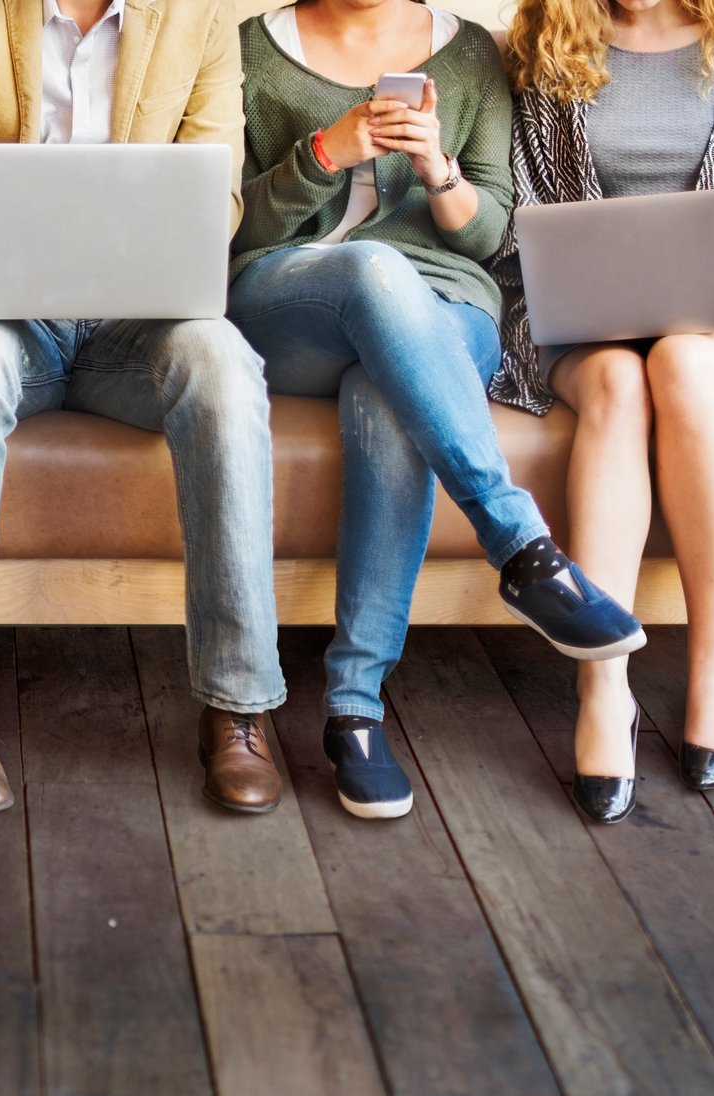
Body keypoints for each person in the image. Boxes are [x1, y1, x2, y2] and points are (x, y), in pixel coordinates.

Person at [232, 0, 644, 821]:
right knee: (377, 269)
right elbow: (234, 228)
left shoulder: (469, 58)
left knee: (388, 392)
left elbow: (491, 236)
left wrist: (437, 171)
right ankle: (522, 548)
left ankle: (354, 710)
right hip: (295, 298)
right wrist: (323, 153)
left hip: (445, 310)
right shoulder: (251, 51)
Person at [0, 0, 289, 819]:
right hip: (5, 311)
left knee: (222, 362)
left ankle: (238, 705)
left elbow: (218, 187)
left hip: (136, 317)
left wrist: (156, 252)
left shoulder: (200, 16)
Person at [494, 0, 714, 821]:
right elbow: (522, 219)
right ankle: (604, 691)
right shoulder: (548, 45)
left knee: (682, 364)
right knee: (621, 383)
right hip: (577, 320)